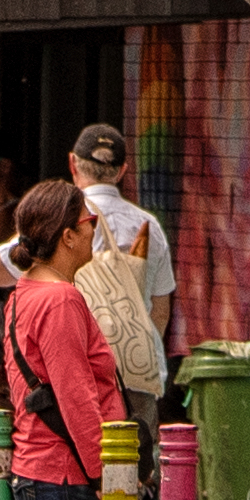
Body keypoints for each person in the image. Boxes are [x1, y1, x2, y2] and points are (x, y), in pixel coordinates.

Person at [0, 178, 122, 500]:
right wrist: (103, 475)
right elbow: (76, 396)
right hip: (64, 477)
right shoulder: (60, 300)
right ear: (67, 236)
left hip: (39, 471)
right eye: (89, 221)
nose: (93, 228)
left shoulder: (23, 293)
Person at [68, 118, 171, 401]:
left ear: (72, 164)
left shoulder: (60, 220)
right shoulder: (149, 227)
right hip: (137, 378)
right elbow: (161, 311)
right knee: (139, 443)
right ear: (123, 171)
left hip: (80, 374)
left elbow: (0, 270)